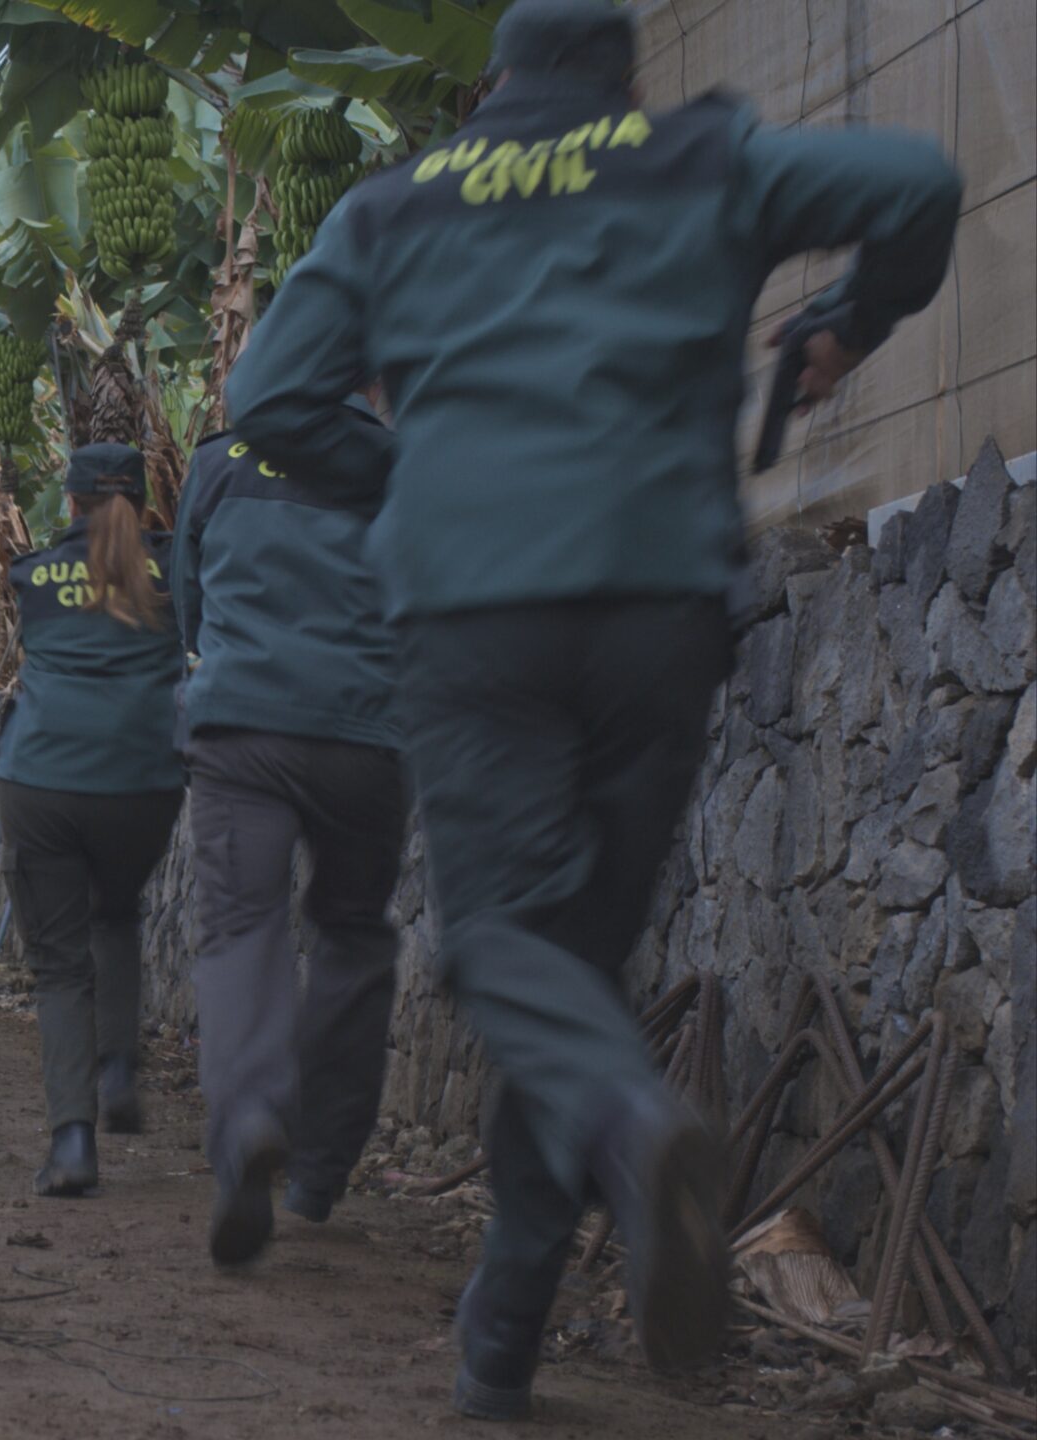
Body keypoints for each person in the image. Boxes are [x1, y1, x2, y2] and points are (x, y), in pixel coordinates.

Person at [225, 0, 962, 1416]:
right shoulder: (701, 156)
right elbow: (919, 184)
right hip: (656, 603)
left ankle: (634, 1133)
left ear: (495, 82)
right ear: (623, 79)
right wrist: (845, 324)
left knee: (508, 951)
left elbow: (268, 398)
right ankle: (499, 1336)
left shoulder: (395, 206)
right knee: (572, 979)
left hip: (474, 614)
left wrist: (418, 484)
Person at [172, 403, 406, 1267]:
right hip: (365, 736)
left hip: (242, 727)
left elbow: (187, 599)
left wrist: (225, 664)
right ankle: (319, 1169)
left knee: (241, 929)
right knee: (353, 933)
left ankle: (250, 1120)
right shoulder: (395, 459)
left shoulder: (221, 462)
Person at [0, 443, 186, 1198]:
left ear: (70, 503)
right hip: (142, 782)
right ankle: (118, 1072)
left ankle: (73, 1145)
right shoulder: (176, 569)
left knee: (60, 966)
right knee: (117, 913)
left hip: (43, 779)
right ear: (143, 501)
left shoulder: (31, 576)